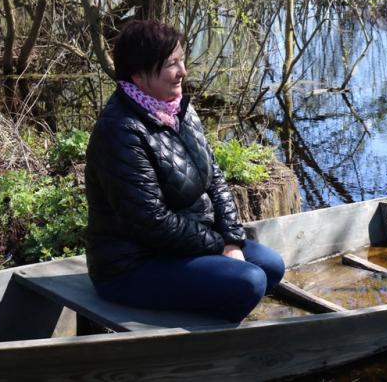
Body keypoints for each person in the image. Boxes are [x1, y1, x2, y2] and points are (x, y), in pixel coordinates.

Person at [84, 19, 284, 323]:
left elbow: (214, 179)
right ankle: (199, 344)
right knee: (249, 281)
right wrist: (219, 246)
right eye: (171, 64)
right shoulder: (120, 130)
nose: (183, 71)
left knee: (271, 266)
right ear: (138, 75)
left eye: (182, 59)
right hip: (131, 264)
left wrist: (230, 237)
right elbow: (151, 221)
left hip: (184, 246)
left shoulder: (179, 110)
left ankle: (208, 313)